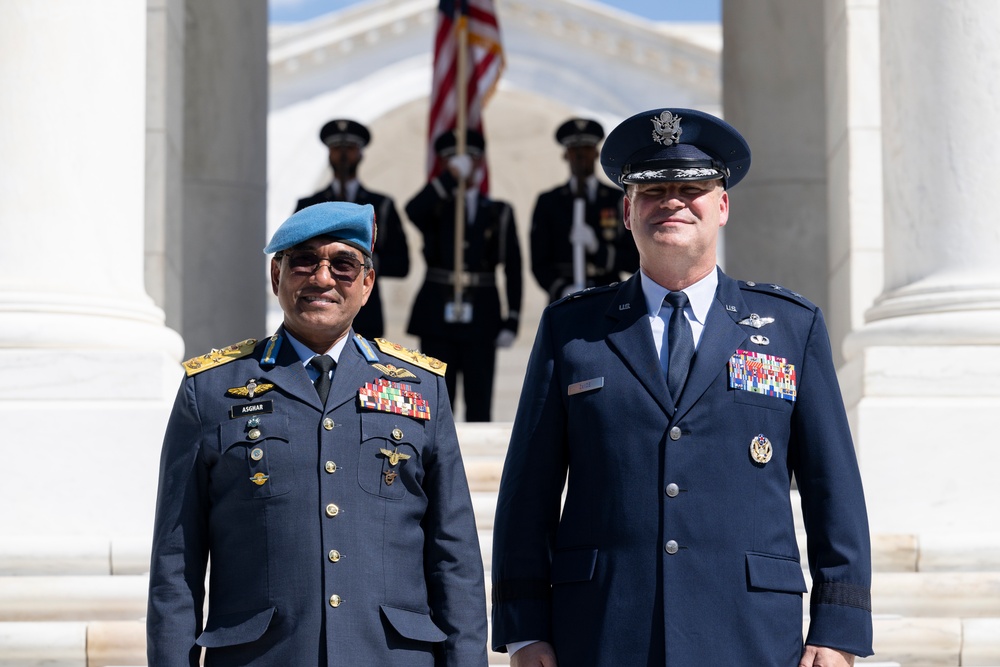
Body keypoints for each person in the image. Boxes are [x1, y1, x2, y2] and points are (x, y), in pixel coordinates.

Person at [491, 108, 873, 666]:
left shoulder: (792, 327)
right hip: (604, 630)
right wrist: (524, 627)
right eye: (652, 189)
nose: (671, 200)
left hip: (747, 631)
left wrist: (838, 627)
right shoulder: (572, 330)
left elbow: (832, 487)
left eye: (692, 188)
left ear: (722, 206)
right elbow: (529, 491)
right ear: (627, 211)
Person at [147, 202, 488, 666]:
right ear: (276, 275)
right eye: (304, 261)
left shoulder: (420, 386)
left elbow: (454, 556)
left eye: (343, 265)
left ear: (367, 285)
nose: (322, 278)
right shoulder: (210, 390)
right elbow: (175, 563)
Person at [405, 129, 522, 422]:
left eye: (470, 159)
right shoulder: (436, 205)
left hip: (482, 313)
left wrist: (513, 318)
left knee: (479, 403)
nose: (465, 166)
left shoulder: (499, 211)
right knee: (436, 400)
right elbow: (411, 210)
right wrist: (449, 178)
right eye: (455, 160)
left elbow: (513, 267)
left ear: (480, 163)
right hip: (437, 313)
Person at [295, 118, 409, 339]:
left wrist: (352, 263)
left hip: (365, 310)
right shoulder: (309, 205)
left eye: (350, 148)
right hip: (318, 302)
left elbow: (401, 264)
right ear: (329, 154)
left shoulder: (381, 205)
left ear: (361, 154)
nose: (344, 155)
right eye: (338, 148)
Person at [529, 118, 639, 303]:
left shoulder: (618, 199)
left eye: (586, 150)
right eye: (575, 151)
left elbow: (635, 258)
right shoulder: (549, 202)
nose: (581, 157)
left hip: (608, 295)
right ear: (565, 155)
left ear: (596, 153)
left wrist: (599, 249)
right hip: (566, 298)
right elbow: (539, 262)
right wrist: (561, 289)